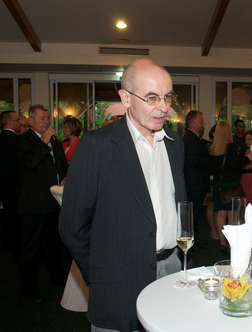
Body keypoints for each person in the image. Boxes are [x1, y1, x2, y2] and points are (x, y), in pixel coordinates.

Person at [59, 58, 187, 332]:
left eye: (168, 97)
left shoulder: (175, 145)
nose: (163, 107)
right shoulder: (97, 146)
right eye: (152, 97)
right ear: (126, 98)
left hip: (172, 270)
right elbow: (72, 225)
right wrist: (100, 274)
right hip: (118, 281)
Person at [15, 104, 69, 303]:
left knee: (53, 244)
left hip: (54, 200)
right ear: (30, 121)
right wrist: (44, 141)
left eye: (48, 118)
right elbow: (29, 164)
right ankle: (28, 289)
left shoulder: (54, 141)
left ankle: (57, 276)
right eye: (42, 118)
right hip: (33, 204)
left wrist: (64, 177)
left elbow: (62, 165)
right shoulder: (24, 141)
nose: (46, 122)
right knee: (31, 248)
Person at [209, 121, 249, 256]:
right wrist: (246, 159)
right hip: (231, 185)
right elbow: (235, 166)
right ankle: (232, 243)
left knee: (220, 215)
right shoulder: (231, 147)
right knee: (233, 215)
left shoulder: (211, 148)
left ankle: (222, 243)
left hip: (218, 186)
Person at [0, 111, 22, 262]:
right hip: (18, 186)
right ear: (9, 123)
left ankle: (9, 247)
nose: (19, 123)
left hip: (3, 186)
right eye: (17, 120)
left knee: (8, 218)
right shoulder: (17, 141)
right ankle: (18, 249)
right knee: (18, 220)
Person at [183, 110, 209, 250]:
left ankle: (195, 239)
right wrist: (208, 160)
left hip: (195, 184)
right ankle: (192, 242)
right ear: (193, 123)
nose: (203, 124)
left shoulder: (193, 138)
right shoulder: (190, 139)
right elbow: (194, 161)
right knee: (193, 215)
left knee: (195, 215)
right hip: (194, 184)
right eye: (201, 122)